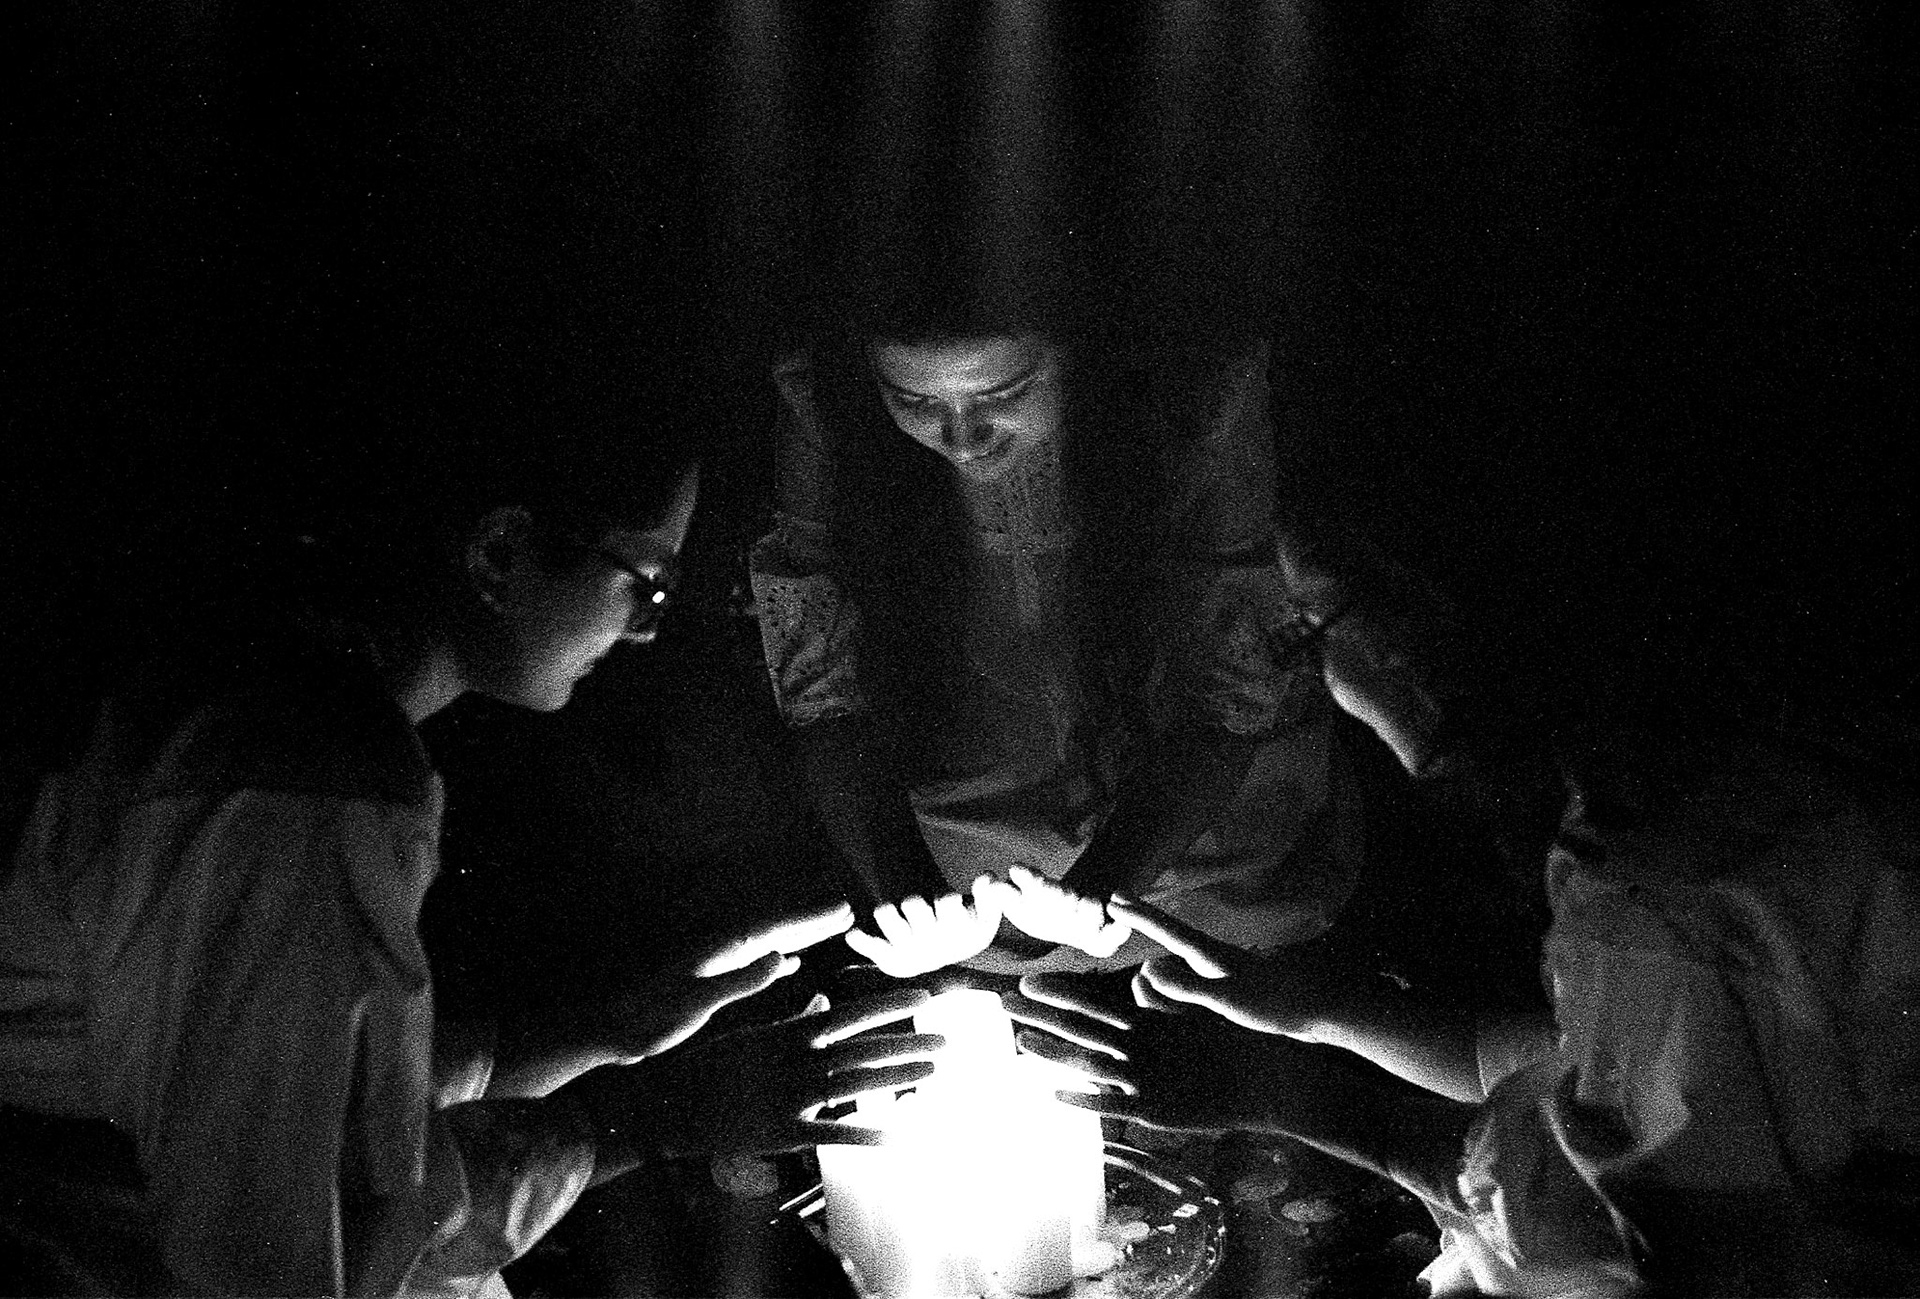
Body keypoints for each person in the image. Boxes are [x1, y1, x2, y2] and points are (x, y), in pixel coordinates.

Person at [0, 393, 942, 1297]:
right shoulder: (298, 779)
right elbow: (301, 1244)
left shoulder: (271, 719)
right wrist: (647, 1118)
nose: (647, 629)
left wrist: (603, 1030)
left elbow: (329, 1107)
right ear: (499, 551)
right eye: (647, 579)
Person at [1019, 720, 1920, 1297]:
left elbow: (1659, 1241)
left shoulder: (1672, 883)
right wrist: (1317, 1008)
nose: (1333, 681)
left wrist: (1304, 1099)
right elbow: (1581, 1070)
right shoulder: (1722, 820)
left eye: (1316, 630)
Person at [749, 303, 1493, 979]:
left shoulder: (1196, 398)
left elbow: (1234, 698)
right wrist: (907, 894)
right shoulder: (829, 409)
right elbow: (818, 686)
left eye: (1005, 394)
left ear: (1076, 354)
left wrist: (1105, 884)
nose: (963, 438)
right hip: (957, 857)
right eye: (913, 402)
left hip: (1200, 851)